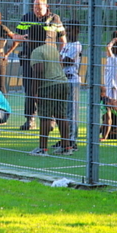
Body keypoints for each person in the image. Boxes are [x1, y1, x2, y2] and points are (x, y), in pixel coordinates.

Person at [15, 0, 66, 130]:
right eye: (34, 7)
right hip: (29, 59)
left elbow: (63, 40)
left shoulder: (55, 19)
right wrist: (24, 37)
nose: (36, 10)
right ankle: (30, 119)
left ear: (46, 6)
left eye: (39, 7)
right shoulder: (27, 17)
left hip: (48, 60)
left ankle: (50, 119)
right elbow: (15, 36)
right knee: (30, 89)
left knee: (49, 89)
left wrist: (60, 56)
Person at [27, 24, 74, 156]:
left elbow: (39, 71)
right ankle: (66, 147)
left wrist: (34, 91)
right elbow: (60, 63)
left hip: (48, 86)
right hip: (62, 82)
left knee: (45, 117)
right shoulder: (52, 48)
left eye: (28, 37)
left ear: (33, 38)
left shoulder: (36, 52)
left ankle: (43, 148)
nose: (27, 40)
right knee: (61, 115)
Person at [60, 22, 82, 148]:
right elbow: (60, 59)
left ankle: (72, 139)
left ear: (77, 31)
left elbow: (66, 61)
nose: (67, 33)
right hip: (63, 80)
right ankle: (64, 138)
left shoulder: (77, 45)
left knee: (71, 111)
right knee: (62, 111)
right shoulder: (67, 45)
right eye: (66, 31)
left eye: (70, 30)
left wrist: (60, 61)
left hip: (72, 80)